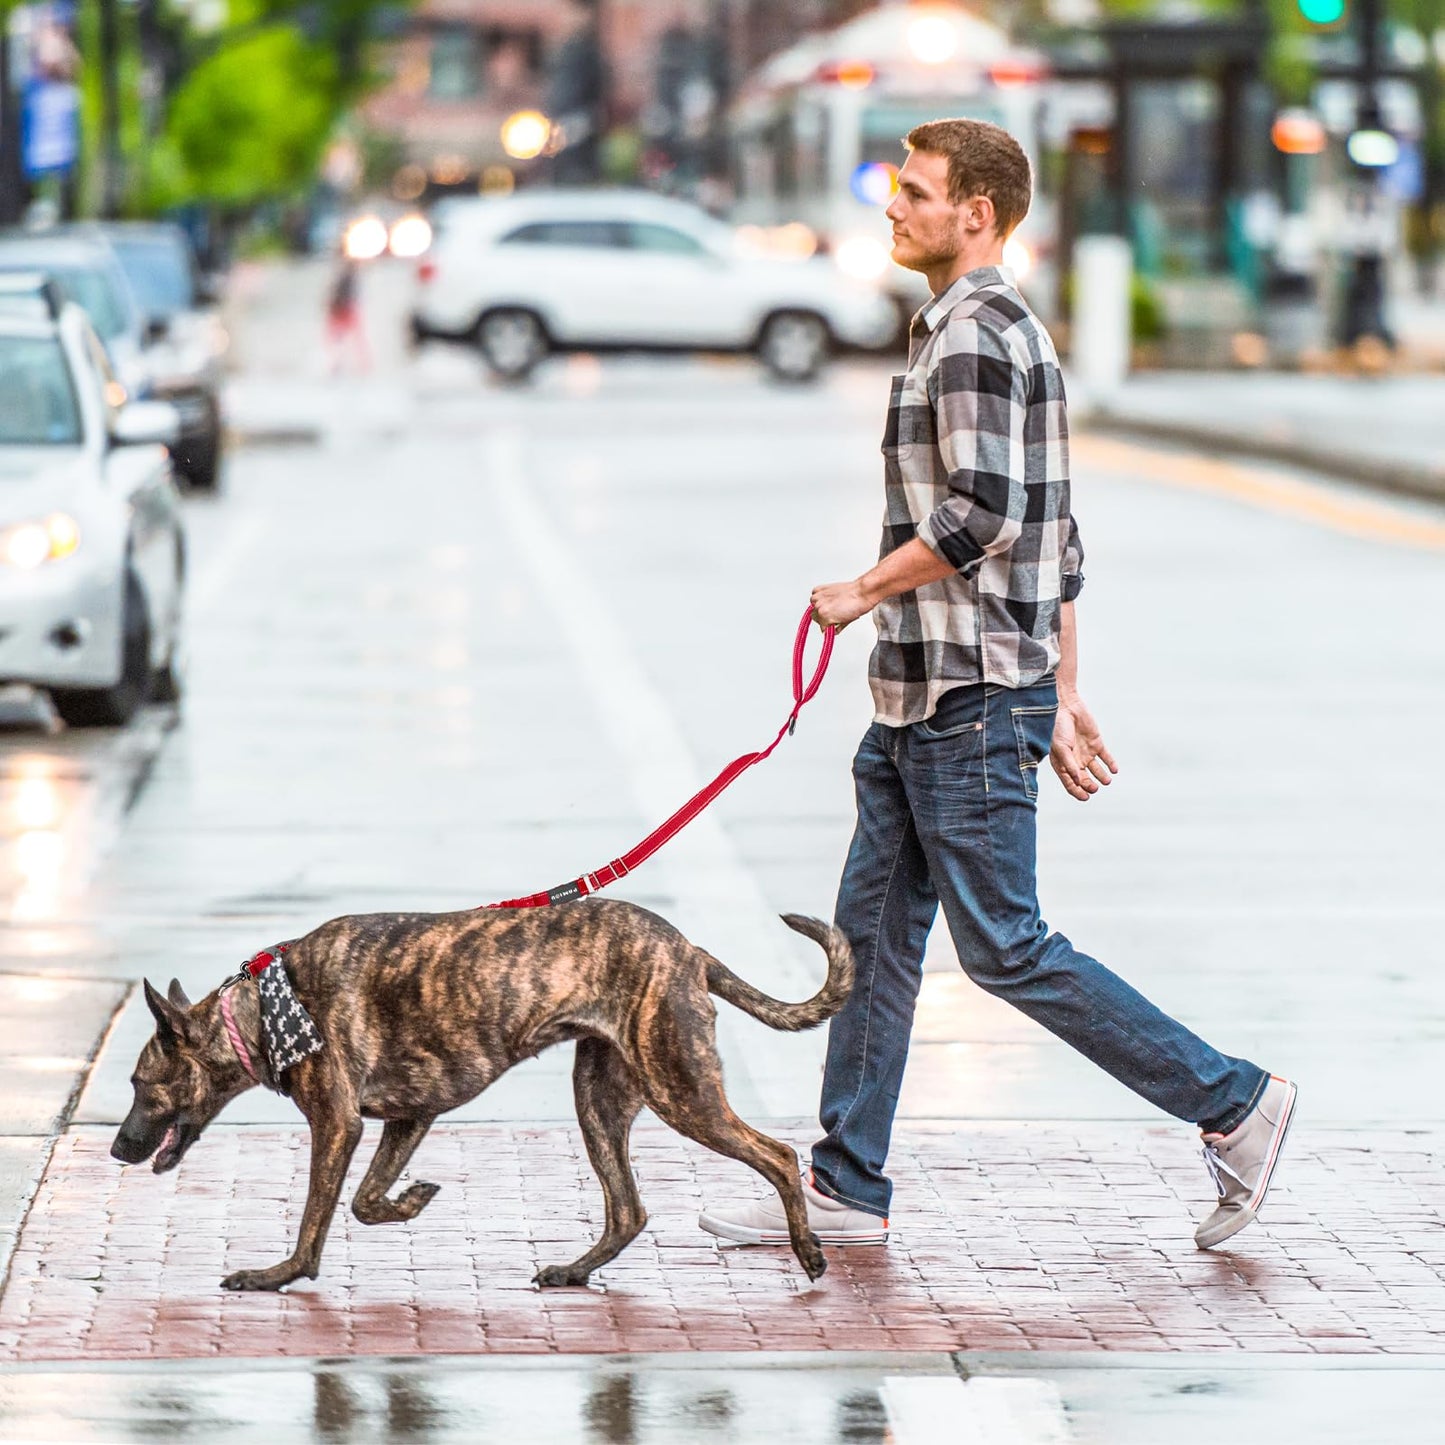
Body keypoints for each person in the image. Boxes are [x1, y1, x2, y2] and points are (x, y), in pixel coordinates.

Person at [699, 119, 1296, 1255]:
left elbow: (979, 515)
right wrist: (1063, 691)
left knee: (1005, 946)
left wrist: (858, 588)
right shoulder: (987, 328)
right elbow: (1056, 533)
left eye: (915, 193)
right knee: (869, 940)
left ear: (976, 212)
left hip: (964, 699)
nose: (894, 209)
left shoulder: (973, 332)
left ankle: (1234, 1102)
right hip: (931, 698)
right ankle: (844, 1182)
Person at [325, 257, 370, 374]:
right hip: (344, 309)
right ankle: (340, 363)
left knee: (348, 339)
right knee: (343, 339)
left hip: (346, 309)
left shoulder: (346, 278)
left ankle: (359, 364)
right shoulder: (345, 278)